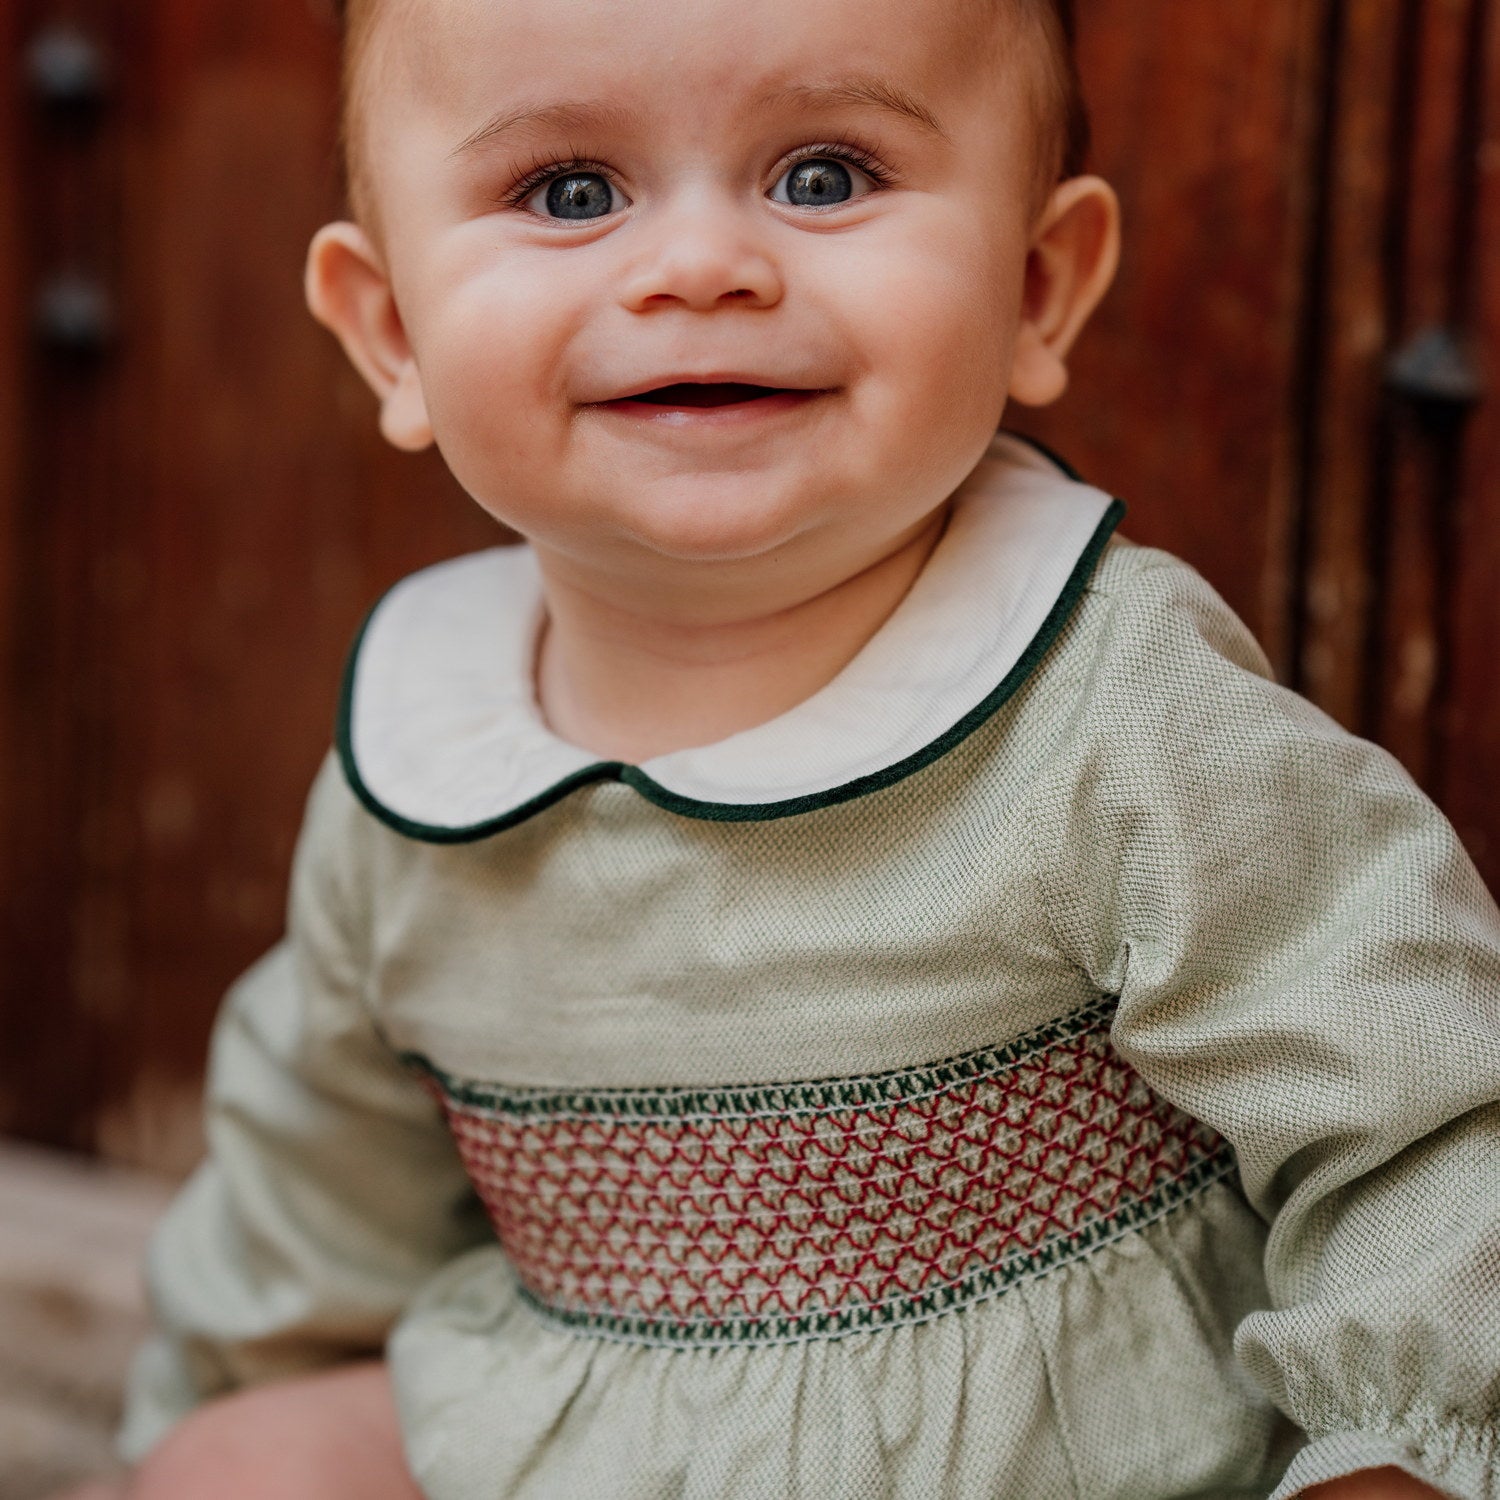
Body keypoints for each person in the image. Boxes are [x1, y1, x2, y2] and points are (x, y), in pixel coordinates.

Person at [67, 0, 1500, 1495]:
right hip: (583, 1435)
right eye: (572, 192)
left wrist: (1395, 1452)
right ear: (391, 335)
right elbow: (316, 1181)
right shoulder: (428, 757)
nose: (700, 269)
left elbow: (1425, 1110)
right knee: (247, 1460)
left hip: (1046, 1461)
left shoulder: (1109, 702)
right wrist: (226, 1409)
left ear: (1036, 290)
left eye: (824, 175)